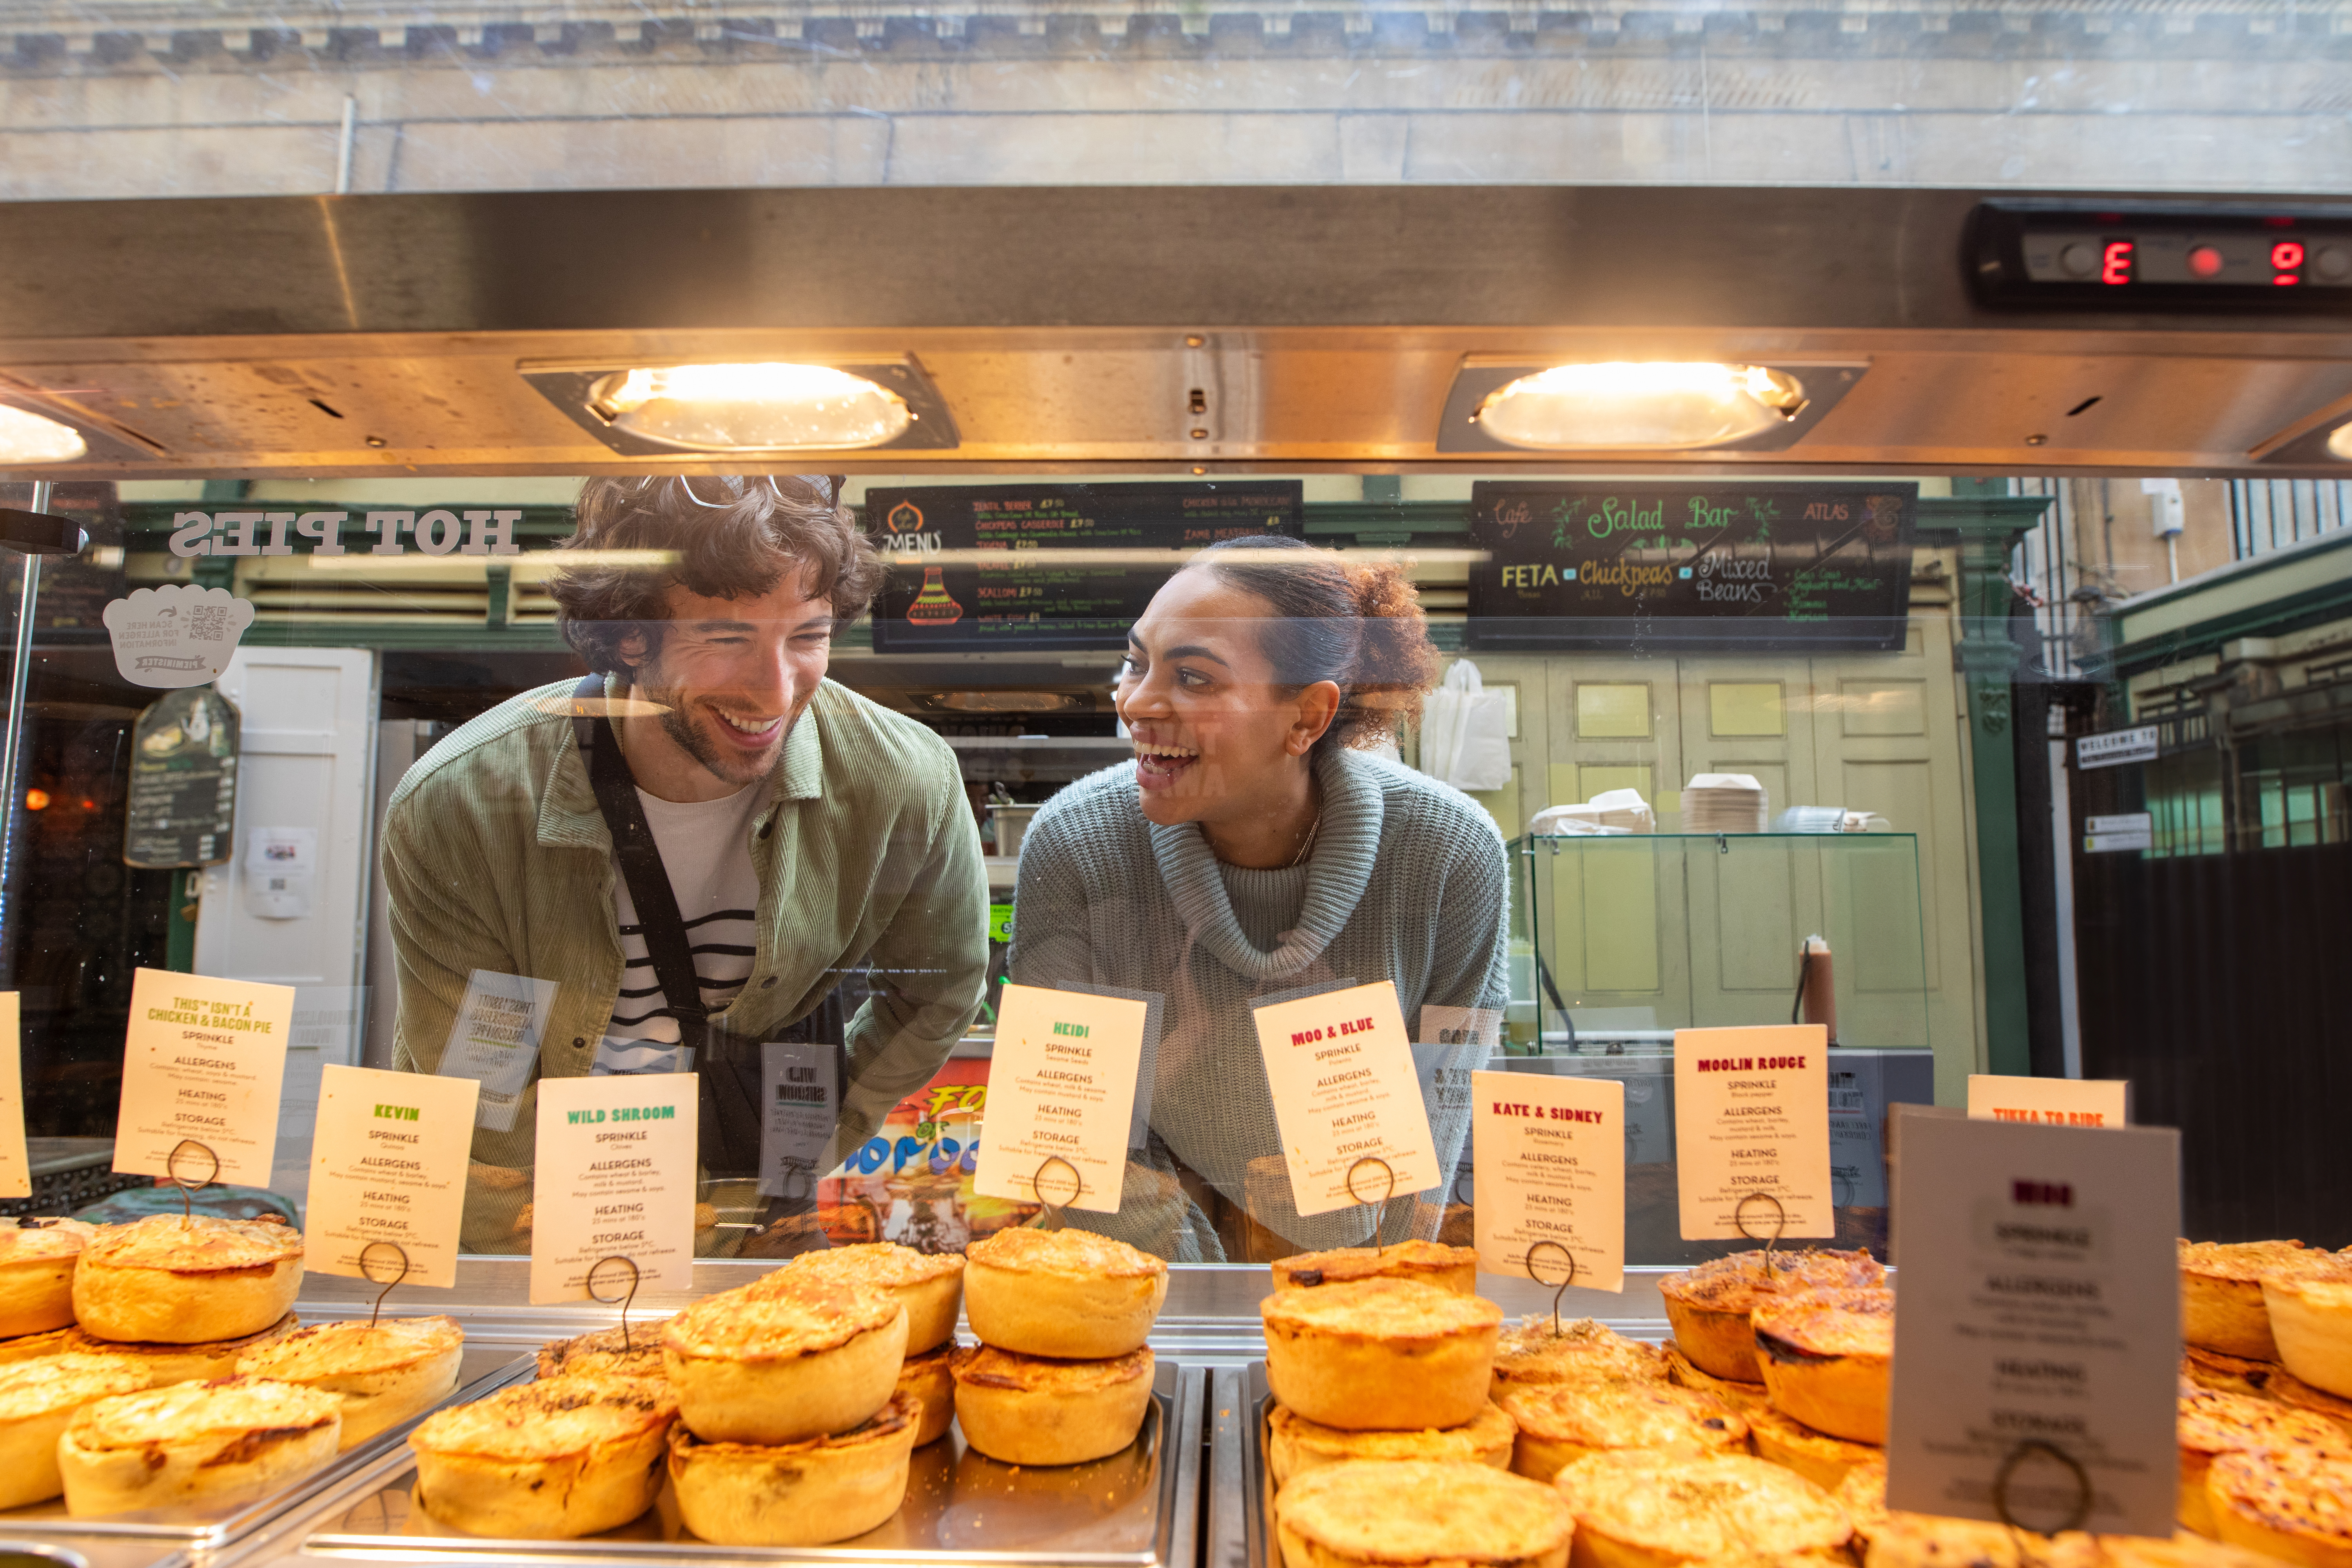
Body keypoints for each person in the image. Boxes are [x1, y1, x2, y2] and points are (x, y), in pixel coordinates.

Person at [383, 475, 988, 1252]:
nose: (776, 690)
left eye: (808, 636)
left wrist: (832, 1123)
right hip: (533, 1198)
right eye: (727, 637)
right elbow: (480, 1073)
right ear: (631, 636)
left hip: (753, 1204)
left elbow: (938, 987)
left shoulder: (905, 779)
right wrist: (635, 1218)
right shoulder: (462, 799)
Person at [1009, 535, 1508, 1260]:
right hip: (1150, 1248)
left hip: (1359, 1248)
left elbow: (1443, 1102)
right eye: (1136, 661)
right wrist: (1202, 1297)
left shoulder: (1447, 853)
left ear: (1306, 717)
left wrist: (1374, 1286)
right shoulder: (1076, 843)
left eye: (1195, 679)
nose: (1136, 704)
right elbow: (1078, 1124)